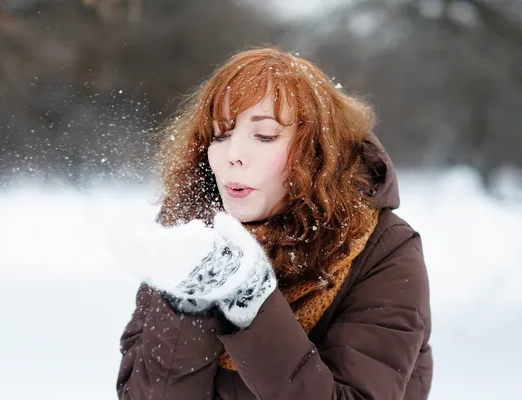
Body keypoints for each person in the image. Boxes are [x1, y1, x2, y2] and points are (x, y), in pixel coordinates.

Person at [113, 47, 432, 399]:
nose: (233, 154)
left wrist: (250, 298)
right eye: (220, 135)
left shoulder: (381, 248)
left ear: (316, 152)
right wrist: (189, 303)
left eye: (264, 136)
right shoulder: (190, 236)